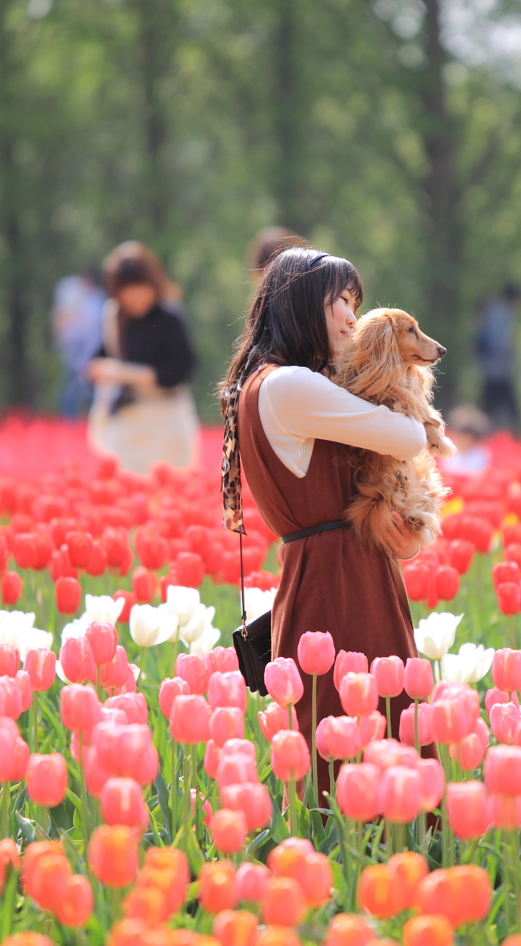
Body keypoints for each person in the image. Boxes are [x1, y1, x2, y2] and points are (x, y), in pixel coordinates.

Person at [220, 248, 437, 794]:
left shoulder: (260, 385)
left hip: (317, 575)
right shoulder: (291, 385)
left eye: (355, 302)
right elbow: (410, 436)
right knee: (370, 741)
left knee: (340, 745)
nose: (351, 317)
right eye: (338, 300)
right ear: (298, 306)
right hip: (345, 585)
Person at [87, 241, 199, 474]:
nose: (133, 296)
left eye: (139, 287)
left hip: (164, 420)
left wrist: (127, 373)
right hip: (128, 422)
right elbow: (100, 357)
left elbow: (181, 368)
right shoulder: (114, 317)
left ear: (152, 283)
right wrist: (97, 370)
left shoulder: (169, 316)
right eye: (126, 289)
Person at [52, 270, 106, 417]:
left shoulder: (97, 296)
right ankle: (68, 415)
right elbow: (61, 316)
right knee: (72, 381)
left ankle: (88, 414)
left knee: (90, 383)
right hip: (73, 345)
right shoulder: (71, 289)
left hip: (91, 347)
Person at [475, 283, 521, 434]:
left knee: (489, 404)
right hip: (497, 369)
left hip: (491, 368)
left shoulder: (495, 311)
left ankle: (481, 433)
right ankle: (518, 435)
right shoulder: (502, 313)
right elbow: (497, 342)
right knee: (506, 406)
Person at [441, 405, 491, 474]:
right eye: (459, 435)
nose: (461, 439)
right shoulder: (448, 453)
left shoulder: (481, 455)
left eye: (465, 436)